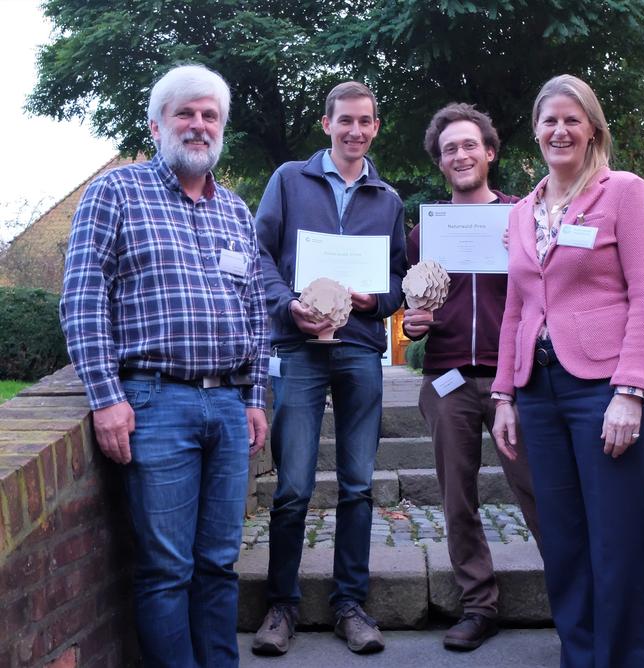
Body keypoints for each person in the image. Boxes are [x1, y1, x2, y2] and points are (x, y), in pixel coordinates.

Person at [59, 64, 270, 667]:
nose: (199, 125)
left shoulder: (235, 210)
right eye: (186, 113)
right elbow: (81, 297)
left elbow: (254, 310)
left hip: (228, 405)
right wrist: (105, 396)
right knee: (167, 569)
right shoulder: (115, 193)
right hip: (154, 402)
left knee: (219, 564)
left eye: (210, 116)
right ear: (157, 125)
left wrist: (254, 396)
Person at [491, 74, 644, 668]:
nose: (559, 130)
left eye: (572, 119)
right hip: (537, 391)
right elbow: (516, 305)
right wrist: (503, 394)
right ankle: (580, 656)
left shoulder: (624, 192)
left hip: (602, 389)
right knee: (563, 543)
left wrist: (632, 390)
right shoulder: (520, 211)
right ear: (536, 132)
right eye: (549, 121)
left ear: (592, 128)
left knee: (614, 542)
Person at [252, 81, 406, 656]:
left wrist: (375, 301)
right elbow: (259, 252)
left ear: (375, 128)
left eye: (365, 122)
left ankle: (350, 605)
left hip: (360, 350)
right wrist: (283, 305)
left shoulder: (387, 198)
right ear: (326, 124)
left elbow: (396, 278)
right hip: (298, 348)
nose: (355, 131)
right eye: (345, 120)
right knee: (291, 486)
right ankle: (281, 607)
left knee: (358, 484)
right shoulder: (290, 180)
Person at [403, 103, 541, 651]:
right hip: (448, 380)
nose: (459, 155)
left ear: (490, 151)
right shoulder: (425, 231)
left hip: (519, 381)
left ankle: (578, 599)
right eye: (448, 149)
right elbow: (412, 308)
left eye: (469, 145)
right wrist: (412, 326)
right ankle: (478, 606)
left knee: (539, 491)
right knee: (457, 499)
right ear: (440, 163)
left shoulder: (524, 217)